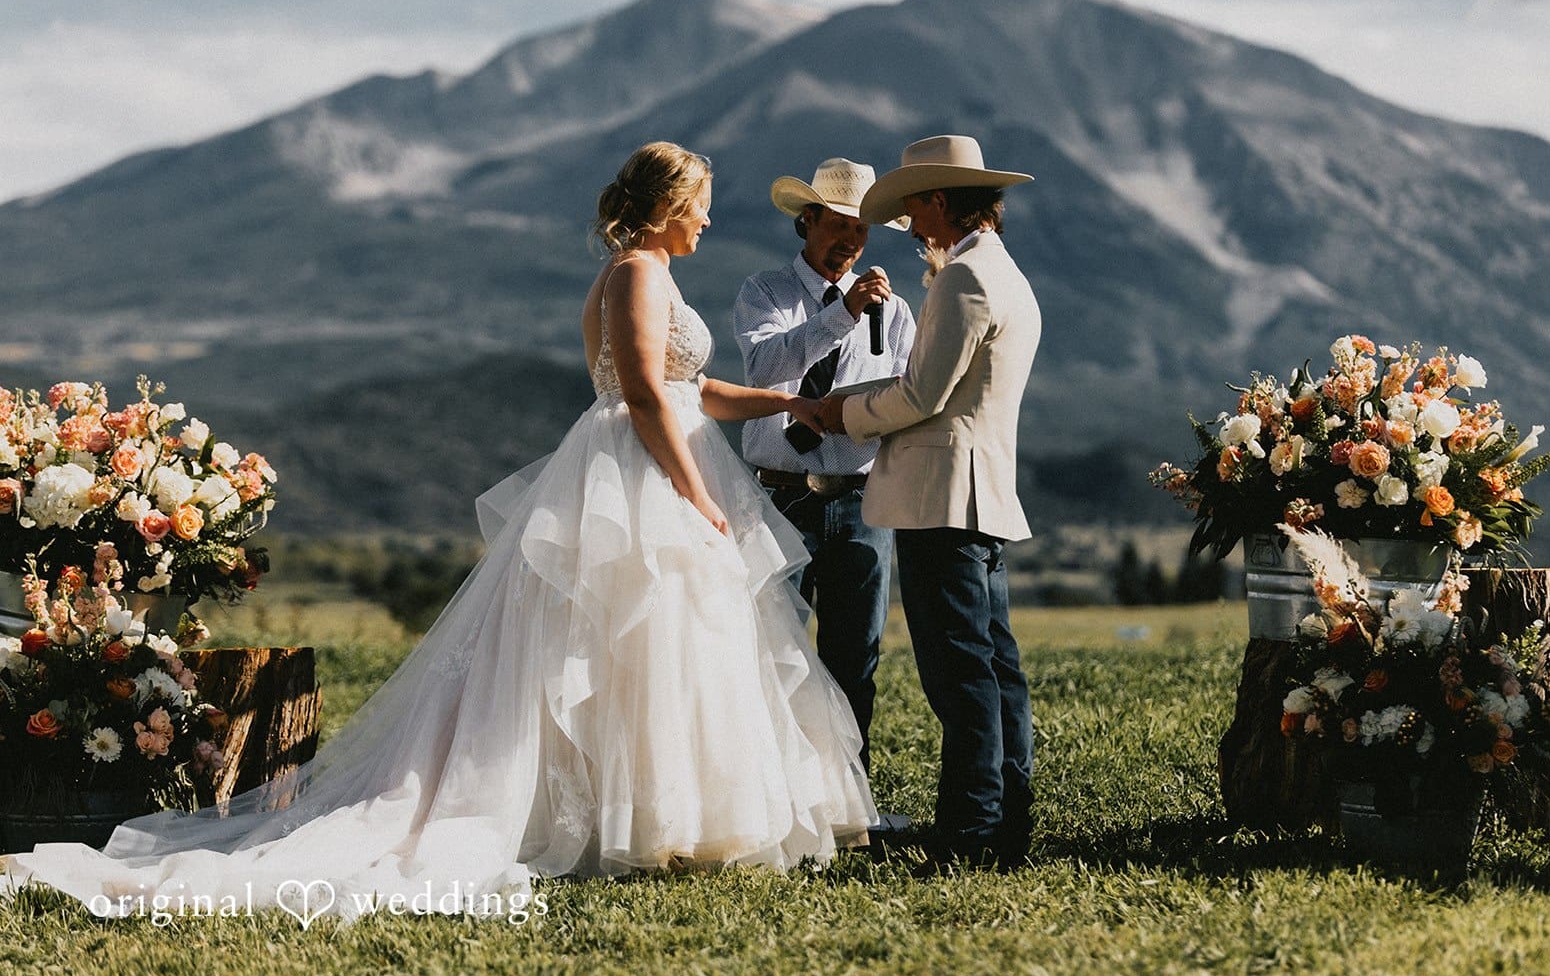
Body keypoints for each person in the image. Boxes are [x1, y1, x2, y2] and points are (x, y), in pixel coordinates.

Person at [1, 141, 877, 919]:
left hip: (655, 456)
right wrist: (698, 495)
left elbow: (694, 392)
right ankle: (639, 814)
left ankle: (665, 811)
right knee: (629, 637)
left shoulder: (652, 273)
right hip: (640, 472)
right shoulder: (639, 274)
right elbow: (645, 395)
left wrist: (794, 402)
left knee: (654, 645)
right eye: (702, 203)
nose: (711, 219)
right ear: (670, 206)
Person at [818, 135, 1040, 869]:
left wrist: (838, 414)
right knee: (993, 664)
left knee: (959, 672)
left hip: (943, 499)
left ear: (940, 199)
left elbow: (922, 396)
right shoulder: (1006, 275)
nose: (910, 225)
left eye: (913, 206)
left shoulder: (964, 279)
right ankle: (1006, 817)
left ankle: (970, 833)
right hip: (979, 494)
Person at [733, 158, 915, 772]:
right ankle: (768, 789)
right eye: (838, 224)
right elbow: (763, 371)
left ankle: (846, 796)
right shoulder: (765, 293)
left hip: (863, 500)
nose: (850, 240)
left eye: (861, 229)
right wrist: (841, 316)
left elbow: (911, 399)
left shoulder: (895, 311)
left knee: (855, 658)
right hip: (779, 495)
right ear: (806, 221)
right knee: (770, 651)